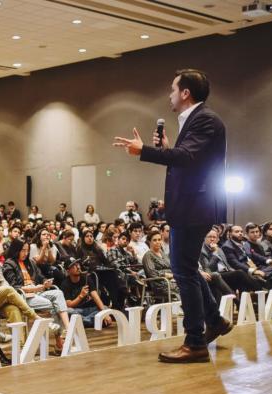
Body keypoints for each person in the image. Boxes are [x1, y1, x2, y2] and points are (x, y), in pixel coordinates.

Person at [113, 68, 232, 363]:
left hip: (194, 207)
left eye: (172, 89)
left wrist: (146, 151)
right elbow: (188, 159)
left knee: (183, 271)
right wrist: (167, 149)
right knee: (188, 268)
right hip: (192, 206)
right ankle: (214, 321)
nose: (169, 94)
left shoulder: (204, 119)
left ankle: (195, 343)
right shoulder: (194, 121)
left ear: (185, 92)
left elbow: (188, 158)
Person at [2, 239, 68, 350]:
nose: (25, 253)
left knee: (58, 293)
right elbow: (13, 287)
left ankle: (68, 328)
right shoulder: (9, 264)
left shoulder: (30, 262)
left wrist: (45, 282)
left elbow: (40, 277)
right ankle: (59, 339)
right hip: (23, 296)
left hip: (38, 292)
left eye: (27, 250)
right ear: (16, 250)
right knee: (53, 304)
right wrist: (33, 288)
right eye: (23, 250)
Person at [59, 257, 111, 328]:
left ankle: (81, 322)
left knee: (105, 308)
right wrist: (81, 296)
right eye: (74, 266)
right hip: (76, 310)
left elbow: (95, 296)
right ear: (68, 271)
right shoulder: (65, 284)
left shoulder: (86, 278)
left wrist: (104, 313)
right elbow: (69, 305)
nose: (77, 267)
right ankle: (95, 321)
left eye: (78, 264)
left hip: (89, 309)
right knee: (68, 312)